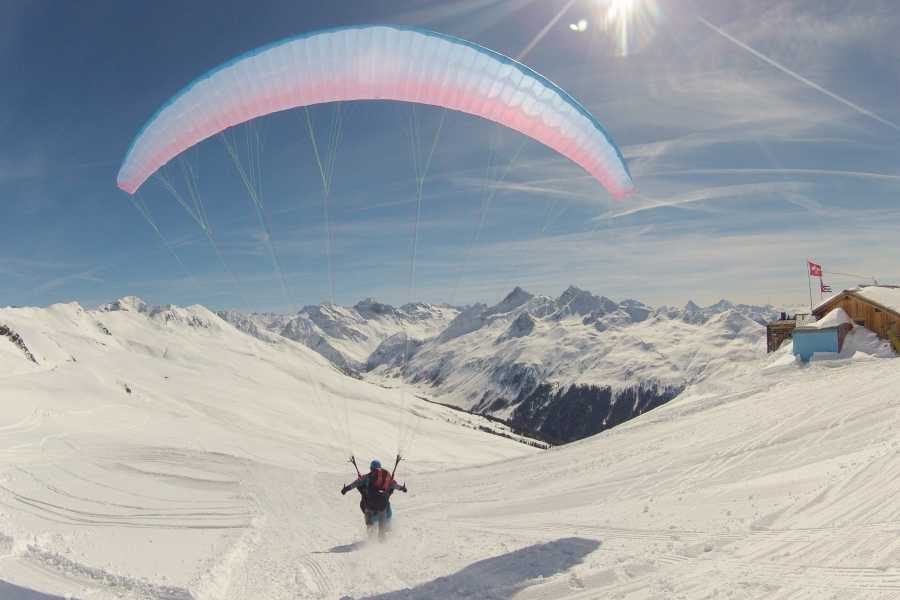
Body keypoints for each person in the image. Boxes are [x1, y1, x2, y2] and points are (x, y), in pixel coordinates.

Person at [341, 459, 407, 539]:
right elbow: (395, 486)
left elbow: (355, 484)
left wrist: (346, 489)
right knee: (384, 509)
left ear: (371, 468)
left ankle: (370, 536)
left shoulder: (366, 477)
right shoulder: (386, 478)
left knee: (368, 511)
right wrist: (402, 488)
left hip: (370, 506)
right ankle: (383, 537)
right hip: (383, 508)